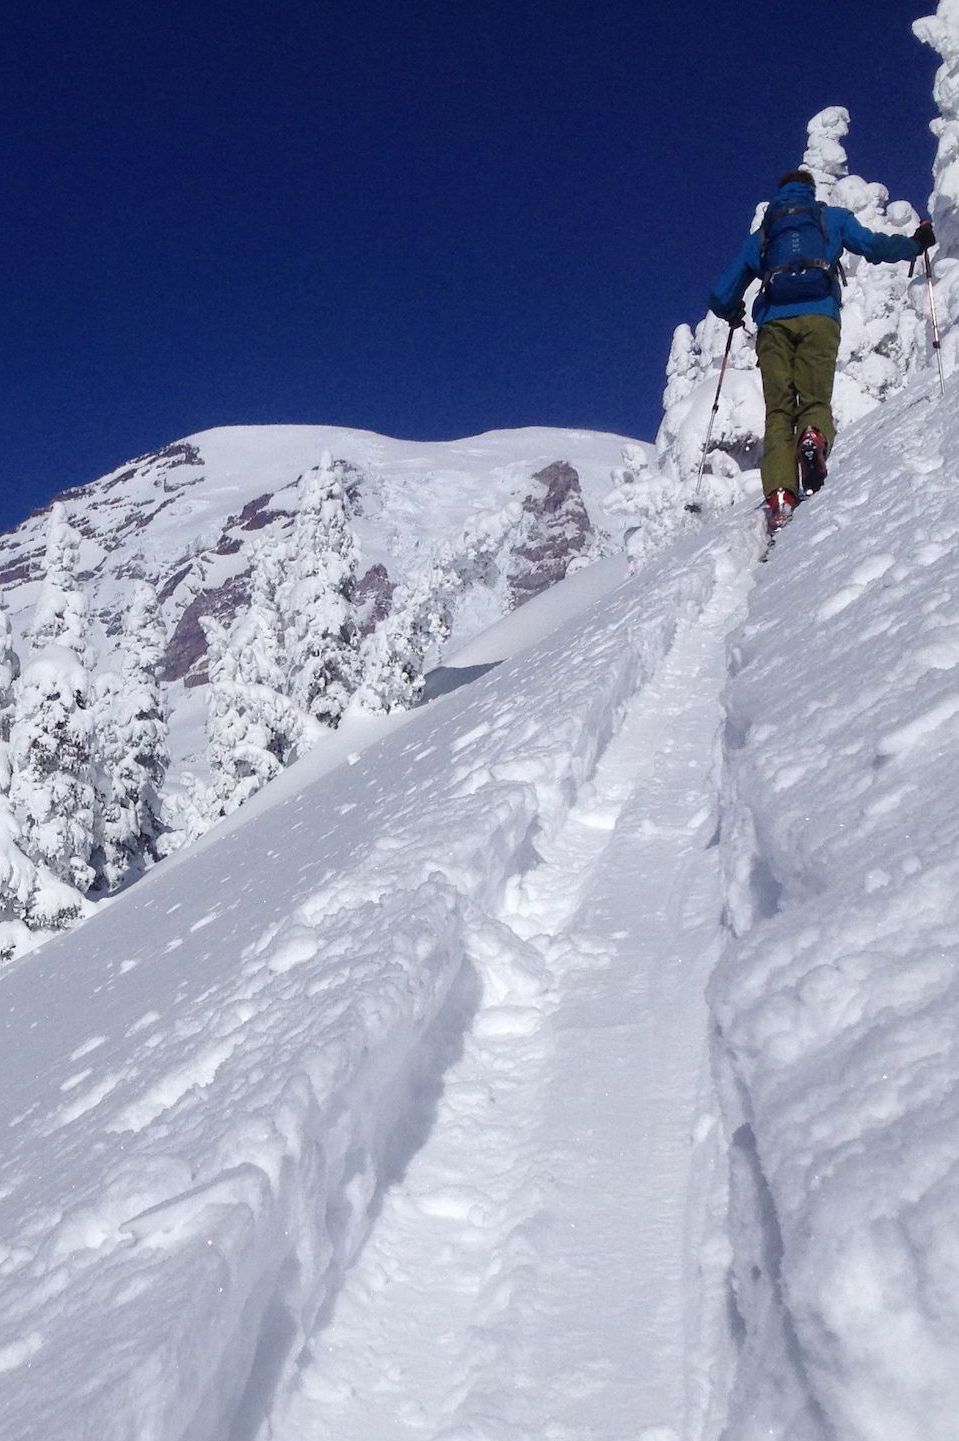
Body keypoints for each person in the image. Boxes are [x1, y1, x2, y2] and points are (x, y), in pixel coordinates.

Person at [708, 169, 935, 532]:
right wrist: (915, 243)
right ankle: (813, 435)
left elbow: (721, 295)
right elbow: (873, 246)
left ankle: (781, 496)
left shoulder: (764, 233)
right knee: (814, 400)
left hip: (774, 327)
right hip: (819, 318)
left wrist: (732, 313)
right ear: (810, 192)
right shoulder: (831, 218)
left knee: (779, 411)